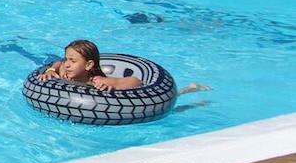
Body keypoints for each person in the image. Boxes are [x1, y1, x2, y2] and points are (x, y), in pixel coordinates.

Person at [37, 40, 210, 94]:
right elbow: (58, 64)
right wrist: (50, 71)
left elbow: (136, 81)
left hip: (124, 98)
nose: (67, 64)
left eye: (73, 61)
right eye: (68, 59)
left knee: (173, 100)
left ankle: (189, 88)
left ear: (89, 65)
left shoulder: (97, 81)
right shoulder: (64, 72)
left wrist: (112, 86)